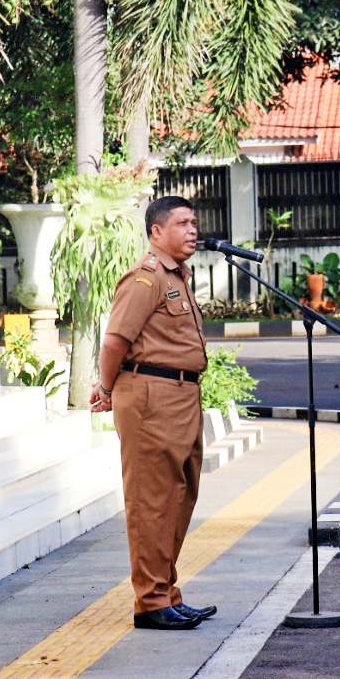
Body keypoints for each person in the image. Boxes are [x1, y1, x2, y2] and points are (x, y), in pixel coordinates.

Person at [90, 196, 215, 631]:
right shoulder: (145, 279)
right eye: (182, 223)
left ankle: (165, 593)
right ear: (157, 231)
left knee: (179, 498)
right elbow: (114, 343)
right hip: (151, 396)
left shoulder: (178, 276)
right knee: (151, 502)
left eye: (195, 222)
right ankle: (150, 602)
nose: (192, 230)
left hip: (181, 396)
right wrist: (106, 388)